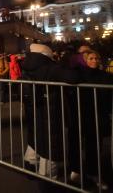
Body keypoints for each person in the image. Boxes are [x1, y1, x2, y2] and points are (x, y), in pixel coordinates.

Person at [21, 44, 79, 179]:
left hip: (34, 108)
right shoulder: (50, 68)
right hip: (51, 110)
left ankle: (30, 164)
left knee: (36, 137)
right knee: (50, 144)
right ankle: (48, 179)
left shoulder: (27, 65)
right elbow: (73, 78)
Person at [68, 50, 112, 190]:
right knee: (77, 144)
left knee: (94, 146)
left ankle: (94, 173)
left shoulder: (105, 75)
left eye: (96, 58)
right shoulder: (79, 75)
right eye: (91, 58)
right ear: (85, 60)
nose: (94, 61)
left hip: (97, 115)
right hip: (81, 115)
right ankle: (76, 171)